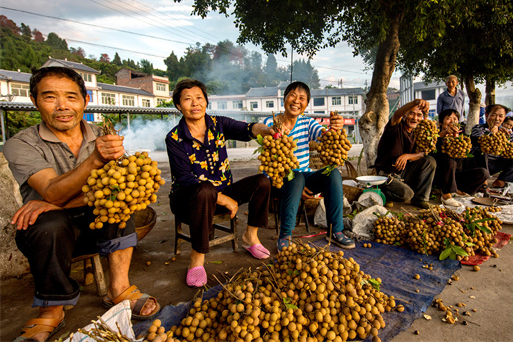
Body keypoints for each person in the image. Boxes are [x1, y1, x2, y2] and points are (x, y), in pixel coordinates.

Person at [4, 67, 160, 342]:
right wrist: (94, 163)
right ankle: (52, 308)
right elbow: (52, 192)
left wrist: (57, 203)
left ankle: (119, 288)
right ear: (34, 100)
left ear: (85, 100)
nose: (62, 106)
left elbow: (118, 190)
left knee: (118, 208)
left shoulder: (102, 134)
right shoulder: (19, 144)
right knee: (50, 223)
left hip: (96, 228)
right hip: (48, 238)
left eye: (71, 97)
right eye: (50, 97)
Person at [166, 79, 274, 287]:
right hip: (187, 198)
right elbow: (186, 179)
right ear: (179, 106)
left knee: (262, 181)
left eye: (199, 98)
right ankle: (196, 259)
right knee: (205, 190)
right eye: (187, 99)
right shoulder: (174, 138)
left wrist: (267, 131)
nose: (195, 103)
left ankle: (250, 237)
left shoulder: (219, 124)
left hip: (220, 191)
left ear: (206, 102)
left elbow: (249, 129)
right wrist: (224, 199)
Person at [264, 81, 355, 252]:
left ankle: (335, 231)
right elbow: (266, 144)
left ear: (306, 104)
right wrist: (275, 132)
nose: (296, 101)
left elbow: (324, 134)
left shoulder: (307, 123)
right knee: (296, 177)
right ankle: (285, 235)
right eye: (292, 95)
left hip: (303, 178)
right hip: (278, 180)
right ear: (284, 99)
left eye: (302, 98)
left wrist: (335, 127)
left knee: (332, 173)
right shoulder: (271, 122)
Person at [374, 99, 437, 209]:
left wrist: (408, 156)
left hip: (403, 173)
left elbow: (422, 153)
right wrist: (416, 102)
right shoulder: (396, 126)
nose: (415, 118)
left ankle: (420, 199)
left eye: (419, 115)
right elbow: (397, 114)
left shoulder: (417, 133)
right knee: (406, 195)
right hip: (386, 174)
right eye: (411, 113)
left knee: (430, 161)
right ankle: (378, 191)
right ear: (405, 115)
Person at [432, 109, 490, 207]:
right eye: (448, 118)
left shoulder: (462, 138)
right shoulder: (435, 135)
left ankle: (459, 190)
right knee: (450, 162)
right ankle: (446, 194)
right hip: (440, 176)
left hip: (457, 176)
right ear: (441, 123)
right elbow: (431, 146)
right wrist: (444, 133)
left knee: (483, 173)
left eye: (455, 119)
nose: (452, 121)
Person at [470, 104, 513, 188]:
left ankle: (502, 180)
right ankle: (483, 180)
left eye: (501, 116)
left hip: (496, 164)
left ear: (504, 117)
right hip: (479, 165)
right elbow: (479, 140)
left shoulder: (507, 132)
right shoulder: (478, 128)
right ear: (487, 115)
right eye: (494, 115)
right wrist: (492, 133)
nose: (497, 119)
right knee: (481, 149)